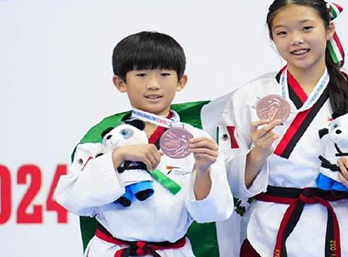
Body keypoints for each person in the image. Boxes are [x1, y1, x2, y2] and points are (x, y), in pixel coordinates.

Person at [214, 0, 348, 257]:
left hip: (343, 238)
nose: (296, 40)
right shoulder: (249, 96)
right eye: (282, 33)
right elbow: (226, 187)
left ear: (329, 29)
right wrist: (257, 156)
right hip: (267, 234)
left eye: (307, 28)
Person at [55, 31, 234, 257]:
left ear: (181, 81)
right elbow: (73, 198)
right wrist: (116, 157)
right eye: (141, 74)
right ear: (120, 83)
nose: (153, 84)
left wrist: (203, 169)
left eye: (164, 74)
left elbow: (211, 213)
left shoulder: (198, 140)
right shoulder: (104, 135)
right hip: (111, 250)